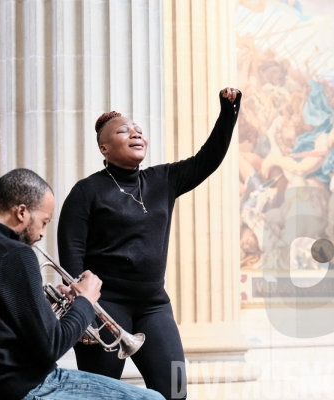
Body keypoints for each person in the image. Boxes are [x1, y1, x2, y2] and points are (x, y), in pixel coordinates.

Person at [58, 88, 241, 400]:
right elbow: (71, 251)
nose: (135, 133)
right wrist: (85, 310)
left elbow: (208, 159)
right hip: (105, 306)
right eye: (123, 131)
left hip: (153, 304)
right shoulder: (87, 191)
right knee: (98, 395)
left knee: (177, 389)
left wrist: (228, 113)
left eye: (138, 130)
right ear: (104, 147)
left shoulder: (163, 179)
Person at [0, 168, 163, 400]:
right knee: (154, 399)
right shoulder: (15, 254)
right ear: (22, 212)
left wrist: (42, 303)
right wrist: (85, 302)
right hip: (26, 388)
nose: (42, 233)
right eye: (43, 222)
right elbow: (51, 347)